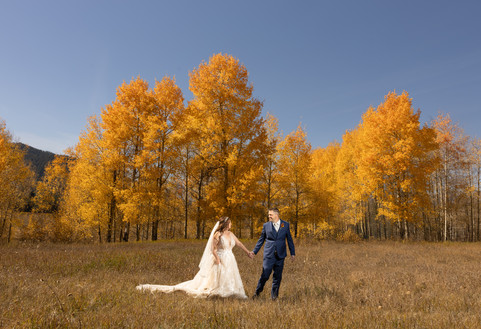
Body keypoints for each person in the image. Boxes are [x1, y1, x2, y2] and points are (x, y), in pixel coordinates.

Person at [136, 217, 251, 299]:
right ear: (226, 224)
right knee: (216, 278)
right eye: (230, 223)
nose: (231, 225)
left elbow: (239, 243)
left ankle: (231, 291)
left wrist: (248, 252)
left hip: (230, 259)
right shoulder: (218, 235)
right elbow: (213, 249)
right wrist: (217, 258)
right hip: (220, 258)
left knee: (230, 276)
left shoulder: (230, 234)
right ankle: (217, 292)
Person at [251, 208, 295, 300]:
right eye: (269, 214)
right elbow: (261, 239)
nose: (269, 216)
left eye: (270, 215)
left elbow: (289, 239)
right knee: (265, 275)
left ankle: (274, 297)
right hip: (269, 255)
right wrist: (254, 251)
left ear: (276, 215)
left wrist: (292, 253)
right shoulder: (266, 225)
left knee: (277, 277)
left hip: (281, 255)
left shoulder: (285, 225)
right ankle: (257, 292)